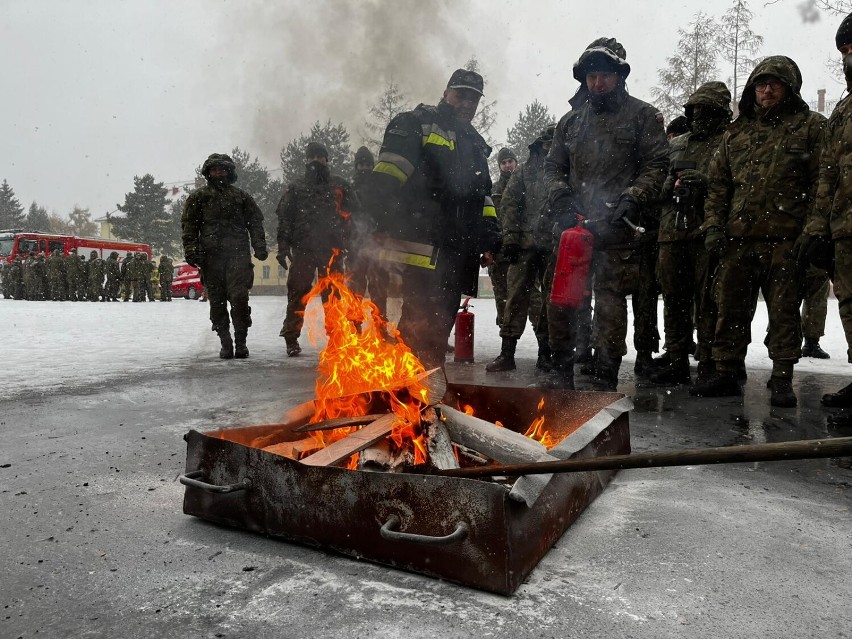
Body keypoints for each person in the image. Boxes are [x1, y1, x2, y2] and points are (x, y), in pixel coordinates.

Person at [691, 56, 826, 408]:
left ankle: (782, 375)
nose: (767, 90)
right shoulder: (736, 133)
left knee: (783, 311)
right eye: (761, 84)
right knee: (730, 309)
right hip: (738, 239)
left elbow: (821, 183)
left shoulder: (810, 127)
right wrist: (713, 227)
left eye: (775, 84)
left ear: (789, 88)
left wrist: (813, 229)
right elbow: (719, 186)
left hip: (786, 240)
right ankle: (726, 371)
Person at [542, 38, 669, 390]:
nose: (597, 83)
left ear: (620, 76)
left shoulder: (643, 116)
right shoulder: (569, 123)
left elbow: (658, 163)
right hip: (572, 228)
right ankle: (562, 367)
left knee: (611, 301)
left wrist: (634, 196)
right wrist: (561, 198)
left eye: (605, 76)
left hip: (616, 227)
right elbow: (552, 168)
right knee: (564, 299)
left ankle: (606, 371)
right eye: (592, 76)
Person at [363, 68, 500, 369]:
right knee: (418, 324)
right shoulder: (417, 124)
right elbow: (385, 180)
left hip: (457, 253)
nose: (467, 103)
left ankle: (422, 390)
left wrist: (489, 239)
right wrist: (379, 224)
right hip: (419, 250)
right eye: (460, 94)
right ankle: (407, 391)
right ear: (446, 93)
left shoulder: (474, 144)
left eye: (474, 99)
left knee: (438, 327)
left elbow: (485, 198)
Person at [648, 82, 732, 385]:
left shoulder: (730, 141)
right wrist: (671, 184)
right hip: (672, 232)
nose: (698, 117)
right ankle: (677, 357)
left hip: (706, 230)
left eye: (706, 111)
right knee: (674, 299)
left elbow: (736, 186)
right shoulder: (677, 144)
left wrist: (706, 181)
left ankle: (709, 360)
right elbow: (658, 188)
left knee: (709, 301)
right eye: (694, 111)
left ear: (720, 113)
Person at [797, 12, 852, 413]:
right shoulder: (844, 111)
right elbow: (827, 176)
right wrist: (818, 229)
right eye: (845, 52)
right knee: (849, 304)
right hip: (844, 229)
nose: (849, 59)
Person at [182, 153, 268, 359]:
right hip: (210, 259)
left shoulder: (241, 197)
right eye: (214, 170)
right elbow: (189, 227)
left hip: (238, 256)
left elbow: (255, 223)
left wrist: (260, 246)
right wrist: (191, 250)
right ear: (208, 173)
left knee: (239, 298)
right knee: (217, 302)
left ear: (229, 172)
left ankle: (241, 342)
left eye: (222, 169)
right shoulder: (198, 198)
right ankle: (225, 342)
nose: (218, 173)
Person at [276, 142, 356, 357]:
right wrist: (282, 248)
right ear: (306, 160)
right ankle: (291, 338)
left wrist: (353, 244)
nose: (316, 161)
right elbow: (285, 219)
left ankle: (336, 337)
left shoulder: (339, 186)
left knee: (333, 296)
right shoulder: (296, 187)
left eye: (320, 157)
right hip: (303, 249)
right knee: (297, 293)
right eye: (312, 157)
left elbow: (354, 215)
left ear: (327, 160)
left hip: (332, 250)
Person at [486, 126, 555, 372]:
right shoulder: (525, 172)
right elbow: (510, 205)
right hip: (524, 246)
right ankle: (507, 353)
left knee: (549, 301)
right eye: (545, 146)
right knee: (515, 297)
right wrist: (512, 240)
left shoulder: (562, 172)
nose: (548, 151)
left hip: (552, 246)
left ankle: (546, 353)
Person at [347, 145, 389, 324]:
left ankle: (380, 327)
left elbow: (388, 215)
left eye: (367, 165)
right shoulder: (349, 190)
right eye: (360, 165)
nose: (364, 168)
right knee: (355, 289)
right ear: (356, 167)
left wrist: (383, 234)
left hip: (377, 245)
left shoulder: (381, 190)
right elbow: (343, 217)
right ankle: (354, 326)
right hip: (355, 247)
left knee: (379, 288)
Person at [489, 147, 519, 330]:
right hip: (499, 252)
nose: (508, 165)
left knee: (531, 298)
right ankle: (505, 340)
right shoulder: (494, 190)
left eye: (510, 161)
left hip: (520, 252)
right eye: (504, 162)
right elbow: (489, 220)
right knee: (502, 298)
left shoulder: (523, 186)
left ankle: (544, 346)